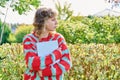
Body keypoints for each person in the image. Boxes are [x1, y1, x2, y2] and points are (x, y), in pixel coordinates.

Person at [23, 7, 72, 80]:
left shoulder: (58, 38)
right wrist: (54, 55)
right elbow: (32, 63)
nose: (56, 22)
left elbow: (67, 63)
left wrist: (45, 71)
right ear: (43, 21)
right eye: (53, 20)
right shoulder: (29, 39)